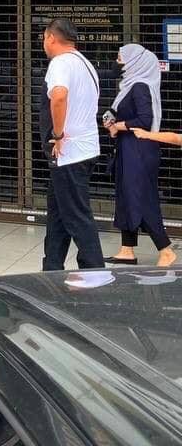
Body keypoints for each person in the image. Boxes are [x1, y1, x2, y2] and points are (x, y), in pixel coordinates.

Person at [39, 18, 105, 271]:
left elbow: (59, 96)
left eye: (44, 38)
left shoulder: (61, 63)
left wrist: (57, 133)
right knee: (57, 215)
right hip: (83, 150)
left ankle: (95, 270)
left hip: (69, 152)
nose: (44, 43)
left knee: (77, 216)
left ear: (51, 38)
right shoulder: (85, 64)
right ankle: (52, 268)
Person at [104, 44, 175, 267]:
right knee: (126, 197)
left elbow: (145, 120)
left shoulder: (141, 86)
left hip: (140, 151)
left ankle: (165, 249)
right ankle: (127, 250)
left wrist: (119, 126)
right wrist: (111, 119)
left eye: (120, 58)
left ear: (134, 62)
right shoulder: (129, 86)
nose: (117, 63)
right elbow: (120, 110)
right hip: (129, 149)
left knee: (141, 198)